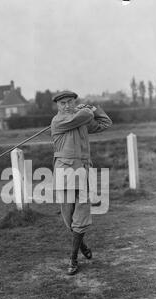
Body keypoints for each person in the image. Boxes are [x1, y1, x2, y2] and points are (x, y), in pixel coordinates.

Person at [51, 90, 113, 275]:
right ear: (58, 106)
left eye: (70, 102)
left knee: (82, 212)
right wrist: (88, 109)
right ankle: (82, 244)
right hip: (65, 171)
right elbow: (85, 115)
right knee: (68, 216)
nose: (67, 105)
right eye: (63, 103)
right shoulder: (58, 121)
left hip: (84, 170)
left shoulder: (82, 119)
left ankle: (73, 259)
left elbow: (105, 123)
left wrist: (95, 108)